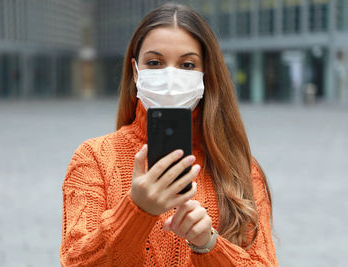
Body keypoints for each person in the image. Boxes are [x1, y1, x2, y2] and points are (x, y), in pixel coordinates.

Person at [60, 3, 277, 266]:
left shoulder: (240, 169)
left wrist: (208, 244)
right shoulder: (93, 158)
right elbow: (76, 261)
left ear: (206, 74)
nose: (171, 76)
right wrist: (137, 211)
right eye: (154, 62)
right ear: (136, 70)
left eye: (187, 64)